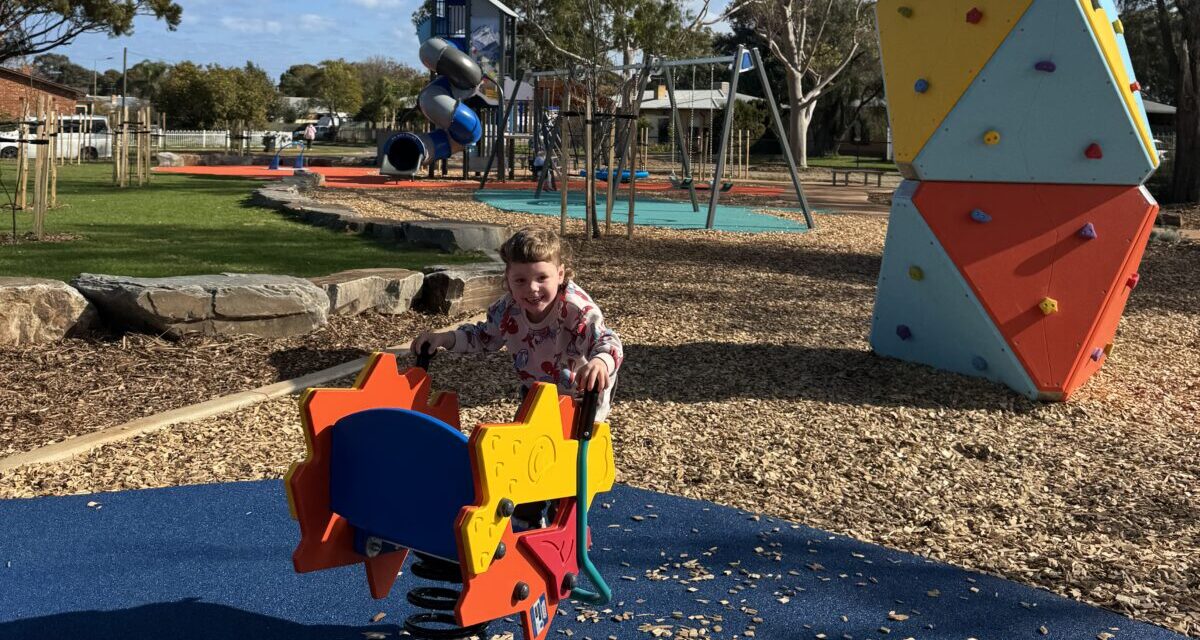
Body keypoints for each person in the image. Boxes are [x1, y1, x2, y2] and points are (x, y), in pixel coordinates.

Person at [410, 227, 623, 527]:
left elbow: (610, 343)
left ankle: (567, 525)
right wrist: (445, 338)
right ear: (508, 280)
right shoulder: (508, 310)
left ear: (561, 274)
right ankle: (527, 519)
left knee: (566, 470)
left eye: (541, 278)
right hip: (535, 393)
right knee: (526, 459)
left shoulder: (577, 310)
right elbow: (483, 337)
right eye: (520, 280)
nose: (531, 289)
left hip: (580, 397)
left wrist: (600, 362)